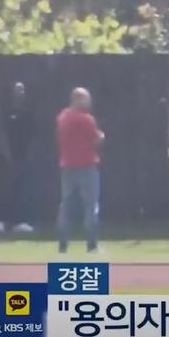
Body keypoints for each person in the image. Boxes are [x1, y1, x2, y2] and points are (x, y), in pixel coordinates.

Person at [56, 87, 104, 253]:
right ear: (78, 99)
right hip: (87, 166)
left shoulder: (62, 117)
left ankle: (63, 244)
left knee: (66, 206)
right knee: (91, 206)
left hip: (67, 166)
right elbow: (95, 139)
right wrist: (101, 136)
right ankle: (91, 245)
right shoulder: (87, 119)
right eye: (86, 99)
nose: (89, 102)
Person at [0, 82, 35, 233]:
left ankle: (20, 222)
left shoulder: (28, 112)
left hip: (23, 157)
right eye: (18, 90)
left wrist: (28, 154)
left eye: (22, 90)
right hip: (6, 159)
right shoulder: (6, 112)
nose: (20, 93)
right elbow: (1, 134)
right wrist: (6, 153)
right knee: (5, 189)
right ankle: (1, 221)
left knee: (22, 190)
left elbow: (33, 135)